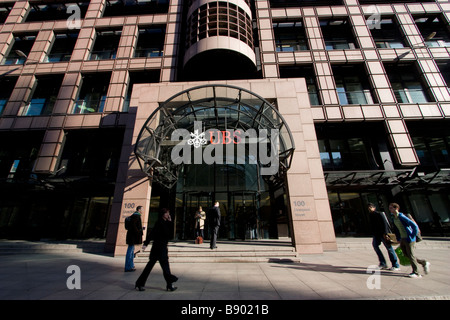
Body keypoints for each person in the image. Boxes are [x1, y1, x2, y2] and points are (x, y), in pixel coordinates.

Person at [135, 208, 178, 291]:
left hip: (162, 248)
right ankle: (140, 283)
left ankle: (169, 284)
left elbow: (169, 235)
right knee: (153, 267)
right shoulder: (159, 222)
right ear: (163, 214)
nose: (168, 215)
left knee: (165, 268)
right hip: (158, 248)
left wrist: (169, 222)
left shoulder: (165, 222)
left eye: (168, 213)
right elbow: (152, 233)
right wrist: (146, 243)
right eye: (166, 213)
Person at [389, 203, 430, 278]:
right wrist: (398, 238)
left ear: (396, 208)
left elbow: (414, 225)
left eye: (391, 208)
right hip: (402, 238)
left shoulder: (401, 216)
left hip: (409, 238)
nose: (390, 209)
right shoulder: (394, 218)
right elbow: (397, 229)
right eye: (389, 208)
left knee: (411, 255)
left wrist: (412, 235)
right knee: (405, 254)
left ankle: (416, 273)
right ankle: (423, 262)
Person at [367, 203, 399, 271]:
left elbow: (385, 224)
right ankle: (383, 263)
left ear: (374, 207)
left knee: (389, 248)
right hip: (376, 234)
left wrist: (385, 233)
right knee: (375, 246)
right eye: (369, 207)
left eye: (371, 207)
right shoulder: (370, 215)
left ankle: (395, 265)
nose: (370, 208)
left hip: (383, 234)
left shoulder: (380, 214)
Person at [125, 205, 143, 272]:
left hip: (131, 236)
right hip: (132, 237)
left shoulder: (134, 215)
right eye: (142, 209)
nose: (142, 211)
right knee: (130, 251)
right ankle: (128, 267)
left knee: (132, 251)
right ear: (139, 210)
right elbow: (133, 226)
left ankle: (131, 265)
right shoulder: (136, 216)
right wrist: (138, 232)